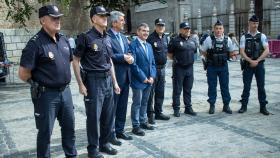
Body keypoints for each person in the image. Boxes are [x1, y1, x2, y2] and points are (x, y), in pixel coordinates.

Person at [18, 5, 77, 157]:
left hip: (66, 93)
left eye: (59, 17)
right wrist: (38, 84)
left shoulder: (63, 39)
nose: (57, 20)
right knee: (45, 133)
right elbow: (23, 73)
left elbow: (68, 61)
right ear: (43, 20)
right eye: (53, 18)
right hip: (46, 96)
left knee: (69, 129)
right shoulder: (35, 44)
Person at [72, 6, 120, 158]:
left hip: (107, 80)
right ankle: (93, 149)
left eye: (106, 15)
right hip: (93, 82)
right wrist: (80, 84)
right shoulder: (85, 37)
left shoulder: (107, 38)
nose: (105, 18)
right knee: (93, 117)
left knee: (108, 115)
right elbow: (75, 60)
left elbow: (110, 61)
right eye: (101, 15)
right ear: (93, 18)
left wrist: (115, 82)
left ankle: (104, 143)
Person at [107, 10, 134, 145]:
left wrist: (129, 56)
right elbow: (109, 55)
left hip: (126, 77)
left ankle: (120, 130)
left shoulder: (123, 37)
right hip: (115, 78)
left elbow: (128, 50)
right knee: (113, 107)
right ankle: (111, 134)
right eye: (122, 20)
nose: (124, 22)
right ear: (114, 22)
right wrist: (123, 57)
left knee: (123, 106)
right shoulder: (107, 37)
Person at [200, 20, 237, 114]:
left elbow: (232, 51)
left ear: (223, 29)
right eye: (216, 28)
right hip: (212, 67)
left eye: (220, 28)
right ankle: (212, 105)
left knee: (225, 86)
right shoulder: (209, 39)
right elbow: (203, 51)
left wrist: (228, 56)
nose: (218, 30)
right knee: (212, 86)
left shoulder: (227, 39)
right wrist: (210, 58)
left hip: (223, 66)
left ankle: (226, 105)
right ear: (214, 29)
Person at [238, 15, 270, 115]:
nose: (255, 25)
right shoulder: (244, 37)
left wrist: (258, 60)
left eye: (257, 23)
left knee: (261, 87)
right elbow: (242, 52)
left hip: (259, 65)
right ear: (249, 23)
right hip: (248, 65)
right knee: (246, 87)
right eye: (253, 23)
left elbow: (267, 50)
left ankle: (263, 107)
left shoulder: (262, 36)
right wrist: (250, 61)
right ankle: (244, 106)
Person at [130, 23, 156, 136]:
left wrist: (152, 76)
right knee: (137, 103)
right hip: (138, 80)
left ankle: (143, 121)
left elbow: (153, 63)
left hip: (149, 81)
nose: (146, 33)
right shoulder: (133, 45)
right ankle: (136, 126)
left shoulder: (149, 46)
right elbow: (133, 64)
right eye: (143, 31)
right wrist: (143, 78)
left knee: (145, 102)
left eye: (147, 31)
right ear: (138, 32)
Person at [168, 22, 198, 117]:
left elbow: (194, 52)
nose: (188, 30)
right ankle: (176, 109)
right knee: (177, 90)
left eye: (188, 29)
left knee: (188, 89)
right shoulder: (175, 40)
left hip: (190, 68)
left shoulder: (193, 40)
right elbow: (170, 54)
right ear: (180, 30)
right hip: (179, 68)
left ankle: (188, 108)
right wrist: (178, 60)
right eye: (185, 29)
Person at [146, 18, 170, 124]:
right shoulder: (150, 38)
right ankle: (150, 114)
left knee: (160, 92)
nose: (161, 27)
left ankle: (158, 112)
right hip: (153, 69)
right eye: (159, 25)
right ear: (155, 26)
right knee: (150, 93)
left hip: (162, 69)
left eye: (162, 26)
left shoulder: (165, 38)